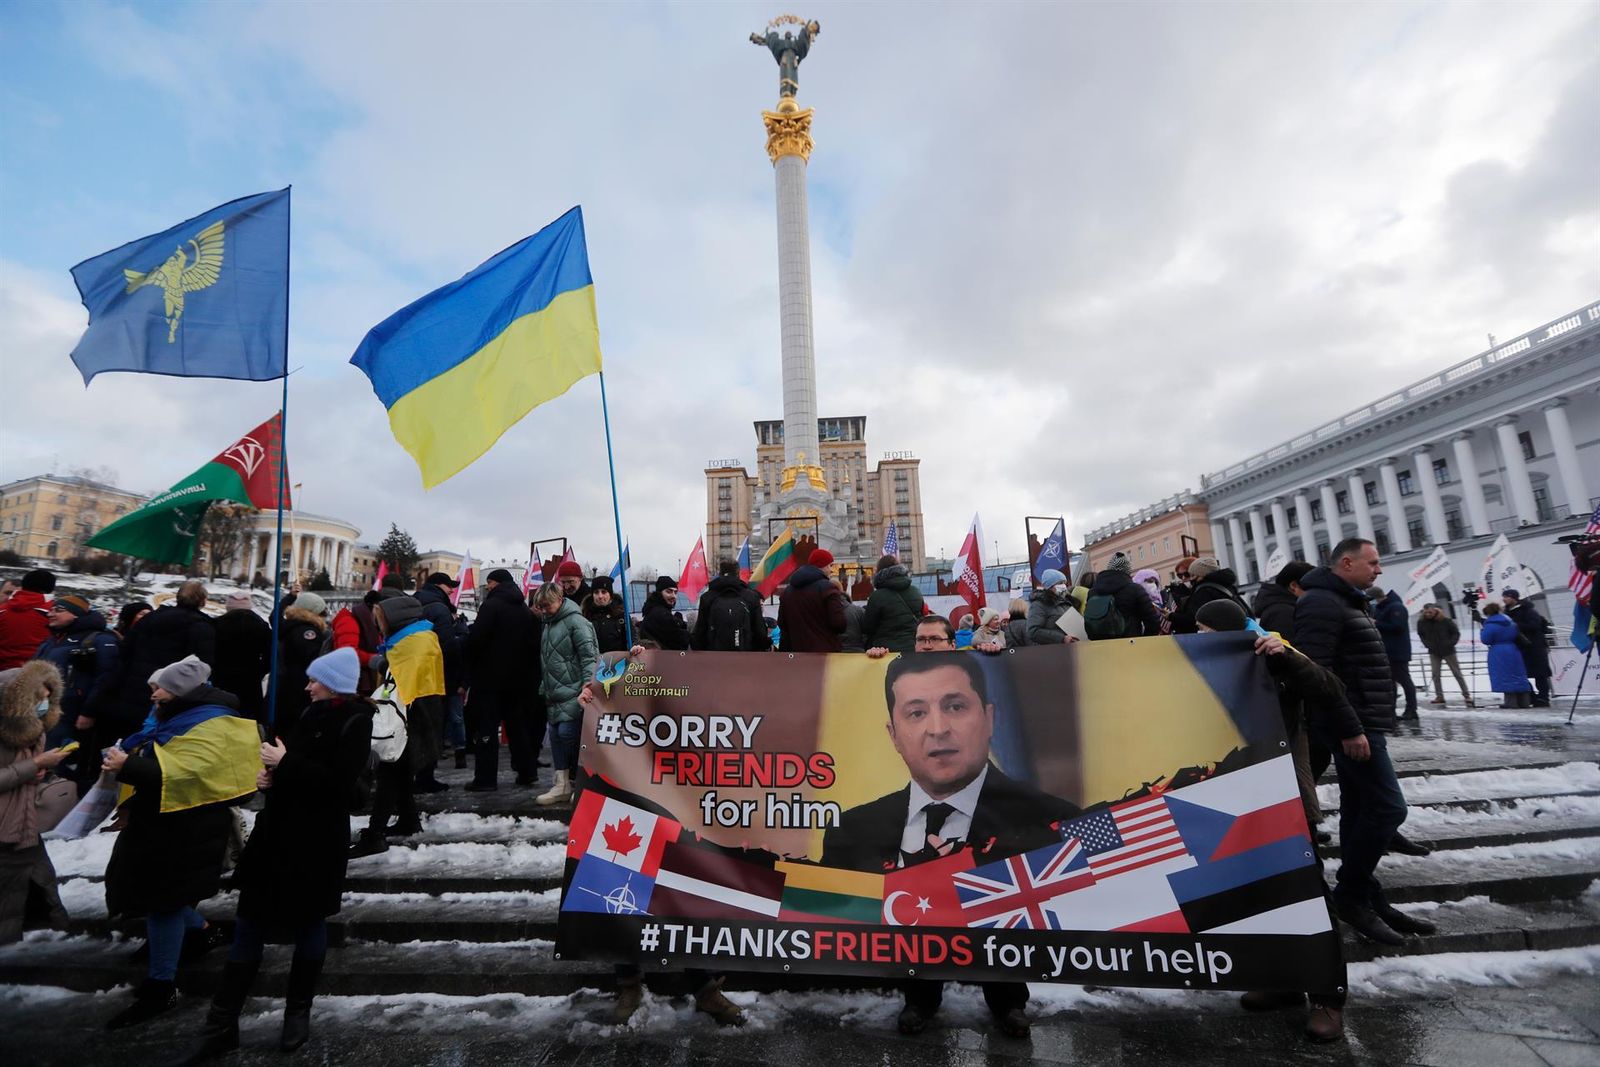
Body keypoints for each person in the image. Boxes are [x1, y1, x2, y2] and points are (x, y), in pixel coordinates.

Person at [839, 617, 1078, 1038]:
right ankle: (920, 1001)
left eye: (954, 706)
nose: (937, 729)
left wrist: (995, 651)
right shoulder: (853, 829)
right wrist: (868, 663)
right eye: (916, 712)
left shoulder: (1050, 820)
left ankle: (1007, 1004)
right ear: (893, 734)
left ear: (988, 718)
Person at [180, 648, 373, 1060]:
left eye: (315, 680)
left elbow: (341, 787)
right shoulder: (308, 715)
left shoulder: (356, 720)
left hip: (316, 842)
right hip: (276, 836)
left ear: (334, 684)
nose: (307, 686)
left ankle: (296, 1015)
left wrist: (286, 764)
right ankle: (222, 1022)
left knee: (308, 925)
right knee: (249, 924)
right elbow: (294, 769)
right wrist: (270, 778)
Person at [1192, 601, 1351, 1043]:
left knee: (1306, 894)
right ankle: (1281, 982)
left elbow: (1330, 689)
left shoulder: (1273, 653)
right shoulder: (1203, 664)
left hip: (1282, 800)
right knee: (1256, 896)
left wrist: (1285, 658)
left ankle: (1327, 997)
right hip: (1236, 801)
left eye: (1207, 629)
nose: (1201, 637)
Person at [100, 656, 258, 1030]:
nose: (153, 692)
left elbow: (188, 773)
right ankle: (204, 932)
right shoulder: (178, 716)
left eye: (161, 687)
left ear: (182, 691)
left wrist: (128, 766)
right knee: (160, 897)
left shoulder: (209, 723)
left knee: (164, 902)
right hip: (163, 821)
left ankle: (162, 986)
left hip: (188, 826)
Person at [1293, 538, 1432, 948]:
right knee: (1389, 807)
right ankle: (1352, 895)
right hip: (1352, 725)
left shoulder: (1348, 599)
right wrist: (1350, 728)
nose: (1379, 569)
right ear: (1347, 563)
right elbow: (1316, 672)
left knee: (1359, 807)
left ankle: (1368, 894)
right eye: (1373, 562)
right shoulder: (1321, 603)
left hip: (1364, 720)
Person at [350, 594, 444, 856]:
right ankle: (408, 820)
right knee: (399, 770)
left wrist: (380, 665)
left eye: (380, 619)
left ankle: (375, 833)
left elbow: (400, 683)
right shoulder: (417, 637)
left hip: (411, 714)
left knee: (390, 772)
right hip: (416, 711)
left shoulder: (411, 643)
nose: (378, 625)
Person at [0, 661, 70, 943]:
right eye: (38, 698)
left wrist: (39, 771)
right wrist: (35, 765)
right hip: (5, 832)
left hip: (23, 828)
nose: (44, 703)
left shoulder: (33, 728)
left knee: (38, 888)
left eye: (48, 697)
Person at [465, 569, 540, 791]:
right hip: (518, 680)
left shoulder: (491, 606)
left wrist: (471, 663)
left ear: (495, 583)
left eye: (489, 582)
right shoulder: (524, 609)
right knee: (517, 727)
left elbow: (476, 639)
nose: (487, 587)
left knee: (487, 728)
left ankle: (486, 779)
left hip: (489, 679)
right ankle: (528, 772)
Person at [532, 582, 597, 806]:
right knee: (556, 737)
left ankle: (579, 782)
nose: (542, 610)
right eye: (540, 606)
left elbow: (589, 656)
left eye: (546, 605)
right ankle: (562, 784)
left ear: (559, 600)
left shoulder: (577, 622)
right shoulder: (548, 623)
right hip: (554, 691)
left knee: (568, 734)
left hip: (574, 689)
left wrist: (588, 685)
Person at [413, 573, 464, 790]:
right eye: (449, 586)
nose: (452, 590)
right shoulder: (439, 609)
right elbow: (446, 647)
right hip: (434, 677)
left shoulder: (414, 603)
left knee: (416, 727)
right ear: (437, 585)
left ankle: (415, 774)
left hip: (413, 676)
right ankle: (426, 778)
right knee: (433, 726)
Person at [210, 592, 271, 721]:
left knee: (221, 716)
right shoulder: (261, 626)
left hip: (221, 679)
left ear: (228, 607)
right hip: (251, 680)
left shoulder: (216, 624)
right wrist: (259, 671)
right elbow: (270, 656)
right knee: (248, 718)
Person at [274, 591, 328, 737]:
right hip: (301, 687)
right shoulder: (308, 631)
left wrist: (289, 597)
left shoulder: (289, 625)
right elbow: (314, 659)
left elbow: (274, 618)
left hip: (287, 686)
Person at [777, 548, 847, 653]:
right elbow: (839, 623)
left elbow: (782, 623)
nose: (831, 570)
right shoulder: (828, 589)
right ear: (824, 565)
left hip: (796, 654)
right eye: (830, 565)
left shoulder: (787, 592)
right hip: (825, 653)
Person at [1084, 552, 1162, 640]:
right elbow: (1153, 622)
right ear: (1128, 571)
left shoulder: (1093, 592)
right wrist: (1144, 641)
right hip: (1130, 645)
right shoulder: (1135, 589)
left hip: (1100, 646)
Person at [691, 560, 765, 652]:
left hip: (715, 657)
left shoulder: (707, 597)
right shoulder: (751, 597)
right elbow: (760, 633)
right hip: (745, 657)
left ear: (720, 573)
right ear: (738, 573)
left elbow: (700, 632)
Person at [1371, 587, 1418, 721]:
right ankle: (1391, 711)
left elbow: (1398, 627)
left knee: (1404, 680)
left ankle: (1411, 710)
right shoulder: (1383, 607)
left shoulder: (1396, 607)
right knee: (1390, 683)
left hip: (1397, 651)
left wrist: (1377, 623)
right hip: (1387, 651)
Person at [862, 554, 924, 654]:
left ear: (879, 572)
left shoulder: (877, 596)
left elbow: (868, 627)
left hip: (884, 651)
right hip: (912, 647)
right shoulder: (915, 591)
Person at [1501, 589, 1553, 707]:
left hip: (1535, 646)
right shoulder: (1506, 613)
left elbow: (1535, 625)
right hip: (1520, 647)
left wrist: (1515, 625)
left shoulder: (1528, 610)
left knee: (1540, 674)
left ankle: (1543, 698)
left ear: (1514, 598)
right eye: (1504, 596)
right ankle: (1532, 697)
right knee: (1522, 674)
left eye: (1506, 596)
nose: (1504, 599)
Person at [1169, 557, 1246, 634]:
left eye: (1190, 575)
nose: (1184, 579)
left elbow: (1195, 619)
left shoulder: (1203, 592)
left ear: (1201, 574)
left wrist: (1171, 616)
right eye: (1179, 576)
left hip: (1219, 636)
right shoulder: (1225, 586)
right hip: (1236, 633)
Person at [1417, 603, 1473, 707]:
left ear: (1435, 611)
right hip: (1433, 651)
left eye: (1430, 612)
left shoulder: (1445, 621)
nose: (1428, 614)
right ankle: (1439, 696)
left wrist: (1450, 643)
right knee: (1435, 674)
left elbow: (1456, 633)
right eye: (1426, 612)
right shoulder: (1421, 622)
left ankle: (1466, 695)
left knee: (1457, 673)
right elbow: (1421, 634)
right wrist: (1427, 644)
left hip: (1448, 650)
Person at [329, 591, 384, 697]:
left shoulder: (370, 623)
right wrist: (373, 659)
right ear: (374, 607)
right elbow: (347, 653)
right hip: (352, 682)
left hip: (360, 680)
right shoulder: (349, 621)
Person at [0, 569, 56, 670]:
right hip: (37, 674)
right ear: (51, 589)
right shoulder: (55, 613)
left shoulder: (3, 610)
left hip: (3, 670)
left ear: (23, 586)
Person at [1481, 602, 1533, 709]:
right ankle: (1524, 701)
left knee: (1505, 676)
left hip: (1498, 651)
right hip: (1513, 649)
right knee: (1518, 675)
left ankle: (1511, 702)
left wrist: (1482, 631)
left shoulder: (1490, 625)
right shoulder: (1510, 622)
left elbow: (1486, 640)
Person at [1252, 561, 1314, 638]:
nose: (1314, 593)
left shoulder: (1283, 607)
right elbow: (1289, 647)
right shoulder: (1283, 613)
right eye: (1311, 588)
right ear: (1294, 586)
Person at [1027, 569, 1077, 645]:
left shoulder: (1066, 602)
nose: (1064, 586)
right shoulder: (1038, 605)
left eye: (1064, 583)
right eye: (1060, 583)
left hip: (1070, 648)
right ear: (1049, 586)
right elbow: (1033, 631)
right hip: (1052, 651)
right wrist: (1062, 638)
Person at [639, 576, 690, 650]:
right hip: (662, 659)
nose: (673, 596)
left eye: (675, 592)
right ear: (659, 593)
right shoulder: (660, 614)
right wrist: (681, 624)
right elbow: (682, 642)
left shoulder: (656, 610)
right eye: (669, 592)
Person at [583, 575, 631, 654]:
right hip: (593, 662)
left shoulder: (621, 615)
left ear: (610, 595)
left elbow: (632, 638)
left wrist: (635, 647)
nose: (600, 596)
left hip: (618, 662)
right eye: (596, 592)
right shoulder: (586, 615)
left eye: (604, 592)